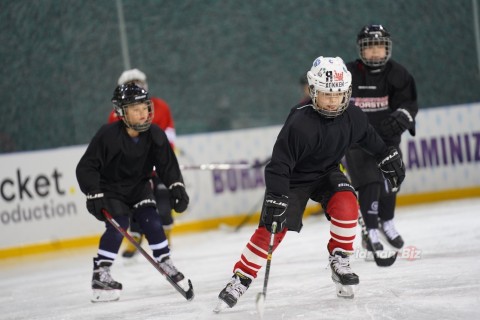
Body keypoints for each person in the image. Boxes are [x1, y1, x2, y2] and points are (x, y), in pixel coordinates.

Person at [215, 56, 405, 310]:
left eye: (338, 94)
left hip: (326, 173)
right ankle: (241, 278)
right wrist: (277, 196)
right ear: (313, 92)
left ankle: (340, 259)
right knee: (273, 228)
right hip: (293, 179)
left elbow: (369, 139)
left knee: (348, 204)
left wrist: (385, 155)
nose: (332, 100)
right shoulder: (300, 123)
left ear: (347, 92)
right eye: (326, 94)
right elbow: (279, 165)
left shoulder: (354, 117)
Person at [76, 83, 191, 302]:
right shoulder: (107, 135)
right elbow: (86, 167)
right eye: (135, 109)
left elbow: (167, 166)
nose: (143, 113)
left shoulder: (155, 134)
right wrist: (93, 193)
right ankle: (101, 273)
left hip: (139, 188)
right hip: (111, 190)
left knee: (153, 222)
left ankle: (165, 261)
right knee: (118, 225)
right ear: (121, 112)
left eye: (145, 107)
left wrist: (177, 186)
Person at [344, 24, 418, 251]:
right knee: (369, 182)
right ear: (360, 49)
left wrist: (403, 117)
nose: (375, 51)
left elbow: (409, 103)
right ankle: (371, 230)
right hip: (358, 141)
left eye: (380, 46)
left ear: (388, 48)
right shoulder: (347, 73)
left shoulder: (398, 74)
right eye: (370, 46)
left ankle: (387, 222)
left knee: (391, 180)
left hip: (387, 139)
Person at [108, 68, 177, 258]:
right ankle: (136, 236)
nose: (136, 87)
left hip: (160, 164)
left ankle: (165, 234)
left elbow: (168, 135)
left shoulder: (160, 106)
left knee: (163, 199)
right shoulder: (117, 114)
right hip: (134, 170)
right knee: (136, 204)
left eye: (138, 83)